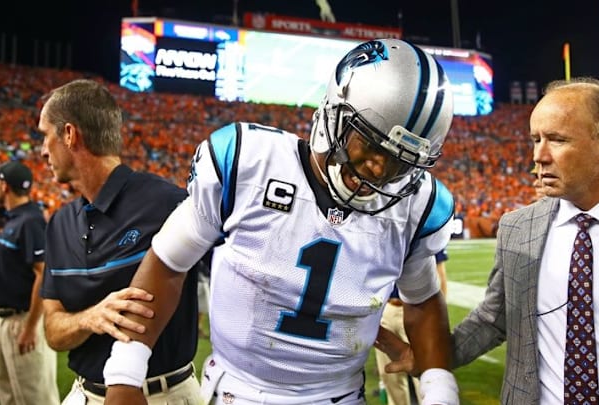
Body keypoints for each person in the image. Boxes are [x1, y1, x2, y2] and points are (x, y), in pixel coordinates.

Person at [103, 38, 459, 405]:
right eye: (369, 144)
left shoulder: (416, 206)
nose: (379, 169)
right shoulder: (247, 161)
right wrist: (125, 373)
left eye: (399, 160)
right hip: (235, 392)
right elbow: (167, 263)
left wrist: (440, 391)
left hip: (340, 396)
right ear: (335, 111)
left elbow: (423, 300)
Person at [376, 77, 599, 403]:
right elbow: (493, 320)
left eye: (556, 139)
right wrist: (433, 358)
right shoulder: (518, 229)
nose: (538, 156)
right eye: (535, 139)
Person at [37, 79, 203, 404]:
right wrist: (91, 317)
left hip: (162, 395)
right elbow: (53, 331)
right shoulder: (59, 223)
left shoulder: (168, 204)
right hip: (83, 394)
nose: (42, 150)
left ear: (70, 134)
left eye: (45, 135)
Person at [0, 160, 60, 405]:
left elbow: (43, 273)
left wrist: (30, 327)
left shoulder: (30, 220)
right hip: (5, 319)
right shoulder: (12, 218)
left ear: (5, 186)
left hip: (22, 320)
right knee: (7, 397)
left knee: (36, 397)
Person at [375, 249, 449, 405]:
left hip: (418, 310)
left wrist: (439, 319)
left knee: (426, 375)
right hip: (384, 308)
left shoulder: (423, 229)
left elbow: (439, 271)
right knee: (390, 375)